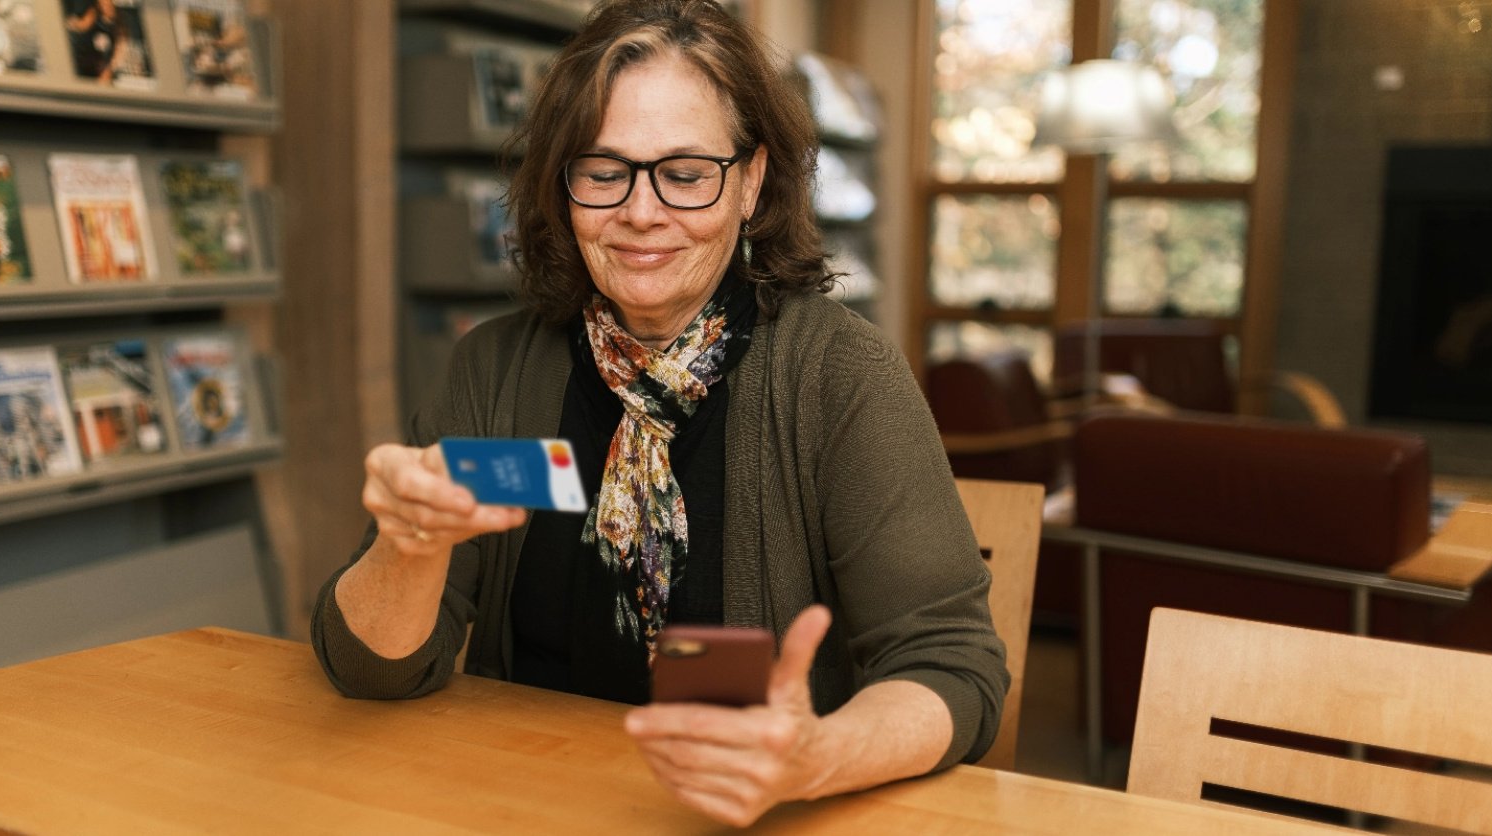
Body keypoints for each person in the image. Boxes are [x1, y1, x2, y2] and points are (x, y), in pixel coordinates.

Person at [310, 0, 1007, 826]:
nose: (641, 211)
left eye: (684, 173)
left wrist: (817, 758)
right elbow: (374, 671)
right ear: (561, 184)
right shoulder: (495, 369)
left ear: (751, 182)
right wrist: (407, 545)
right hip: (520, 803)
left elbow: (953, 667)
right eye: (604, 171)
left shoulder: (838, 377)